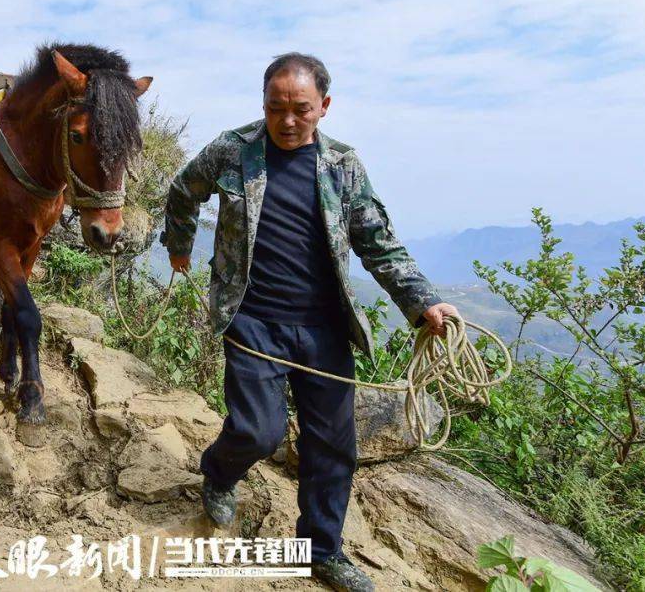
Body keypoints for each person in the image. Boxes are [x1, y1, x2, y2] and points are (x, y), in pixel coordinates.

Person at [160, 53, 459, 592]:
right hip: (251, 319)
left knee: (332, 446)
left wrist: (423, 301)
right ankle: (219, 473)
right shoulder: (233, 150)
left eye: (301, 109)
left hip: (323, 329)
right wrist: (179, 246)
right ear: (263, 105)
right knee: (259, 431)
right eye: (277, 108)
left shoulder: (343, 165)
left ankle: (322, 551)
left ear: (324, 106)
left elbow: (378, 242)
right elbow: (183, 191)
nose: (288, 120)